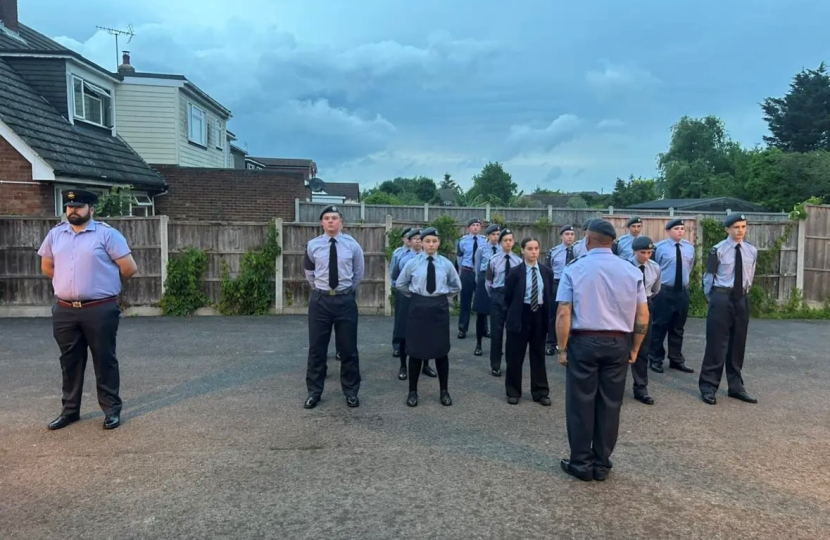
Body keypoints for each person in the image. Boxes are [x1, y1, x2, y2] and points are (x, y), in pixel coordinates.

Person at [555, 219, 649, 482]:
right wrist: (635, 348)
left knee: (581, 403)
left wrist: (562, 349)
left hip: (584, 341)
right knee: (610, 404)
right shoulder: (631, 271)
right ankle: (601, 463)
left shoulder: (575, 269)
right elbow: (643, 314)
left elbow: (564, 312)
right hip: (618, 342)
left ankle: (581, 463)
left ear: (587, 240)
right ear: (612, 242)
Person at [38, 189, 137, 431]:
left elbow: (129, 268)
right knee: (69, 362)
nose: (73, 210)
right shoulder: (55, 235)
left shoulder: (107, 235)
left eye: (79, 206)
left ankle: (111, 410)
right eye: (69, 206)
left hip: (99, 309)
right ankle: (70, 411)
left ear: (91, 209)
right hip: (65, 310)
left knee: (104, 360)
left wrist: (102, 285)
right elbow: (47, 266)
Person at [302, 205, 365, 409]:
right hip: (320, 301)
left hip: (345, 300)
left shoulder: (352, 245)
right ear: (322, 223)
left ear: (341, 222)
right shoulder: (313, 245)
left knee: (348, 349)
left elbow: (358, 273)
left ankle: (351, 391)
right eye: (327, 218)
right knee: (317, 349)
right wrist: (322, 290)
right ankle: (314, 391)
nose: (330, 221)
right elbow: (309, 273)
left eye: (334, 218)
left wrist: (344, 291)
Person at [396, 227, 462, 407]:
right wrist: (416, 297)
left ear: (438, 242)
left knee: (441, 352)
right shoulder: (413, 263)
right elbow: (401, 284)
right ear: (422, 243)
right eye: (427, 241)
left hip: (438, 308)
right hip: (418, 307)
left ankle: (444, 391)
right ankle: (413, 392)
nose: (431, 244)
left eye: (434, 241)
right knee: (416, 352)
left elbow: (456, 285)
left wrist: (443, 297)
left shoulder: (446, 264)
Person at [699, 213, 759, 405]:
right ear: (727, 229)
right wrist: (714, 298)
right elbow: (708, 278)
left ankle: (736, 386)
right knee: (717, 344)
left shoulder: (751, 250)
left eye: (743, 226)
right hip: (722, 297)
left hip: (741, 298)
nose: (740, 230)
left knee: (737, 343)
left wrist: (744, 294)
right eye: (736, 227)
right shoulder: (718, 250)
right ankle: (708, 386)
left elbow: (751, 274)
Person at [503, 237, 554, 406]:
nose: (533, 252)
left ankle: (540, 391)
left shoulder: (546, 272)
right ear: (522, 251)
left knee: (538, 354)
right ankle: (513, 391)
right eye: (530, 249)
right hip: (521, 314)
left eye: (536, 248)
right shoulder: (515, 272)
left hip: (539, 315)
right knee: (515, 355)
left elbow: (548, 296)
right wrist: (514, 313)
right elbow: (508, 296)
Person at [648, 218, 696, 374]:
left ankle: (676, 359)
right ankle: (655, 358)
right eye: (676, 229)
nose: (680, 231)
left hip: (682, 291)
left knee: (678, 327)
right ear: (668, 231)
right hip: (664, 291)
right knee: (659, 326)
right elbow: (653, 268)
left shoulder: (689, 248)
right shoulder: (659, 248)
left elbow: (690, 266)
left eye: (682, 228)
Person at [391, 229, 436, 380]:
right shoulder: (404, 259)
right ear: (409, 241)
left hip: (425, 299)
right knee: (404, 332)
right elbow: (395, 278)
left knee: (426, 333)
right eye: (414, 238)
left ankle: (426, 365)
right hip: (406, 298)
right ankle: (403, 366)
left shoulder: (431, 258)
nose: (417, 241)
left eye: (419, 238)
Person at [629, 236, 662, 405]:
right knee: (621, 346)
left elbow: (656, 290)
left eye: (649, 252)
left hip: (645, 305)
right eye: (643, 252)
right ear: (634, 251)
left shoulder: (654, 268)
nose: (646, 256)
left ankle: (641, 388)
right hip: (626, 306)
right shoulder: (625, 266)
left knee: (643, 348)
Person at [485, 229, 522, 377]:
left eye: (510, 240)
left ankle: (511, 363)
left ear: (513, 242)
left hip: (512, 298)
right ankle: (495, 364)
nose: (508, 243)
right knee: (496, 333)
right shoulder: (493, 260)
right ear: (500, 242)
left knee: (513, 333)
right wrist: (494, 296)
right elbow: (488, 282)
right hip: (497, 295)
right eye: (505, 240)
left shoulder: (518, 261)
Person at [545, 224, 577, 355]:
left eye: (572, 234)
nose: (570, 237)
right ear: (561, 236)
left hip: (573, 285)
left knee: (572, 315)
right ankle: (551, 342)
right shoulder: (554, 251)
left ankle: (569, 343)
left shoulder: (578, 252)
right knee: (554, 314)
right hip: (557, 283)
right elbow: (548, 271)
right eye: (567, 234)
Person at [456, 218, 488, 339]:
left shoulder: (485, 240)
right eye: (473, 225)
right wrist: (461, 271)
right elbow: (459, 257)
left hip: (480, 274)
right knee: (465, 301)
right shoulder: (463, 241)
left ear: (480, 228)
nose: (475, 227)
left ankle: (484, 329)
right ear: (469, 227)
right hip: (467, 272)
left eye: (478, 225)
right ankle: (462, 328)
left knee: (482, 301)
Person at [472, 223, 500, 356]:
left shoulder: (502, 248)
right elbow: (477, 268)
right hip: (484, 279)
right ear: (488, 235)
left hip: (498, 280)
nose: (495, 237)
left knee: (497, 316)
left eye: (497, 234)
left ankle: (497, 347)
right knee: (481, 315)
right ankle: (478, 344)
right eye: (493, 234)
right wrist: (480, 282)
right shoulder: (481, 249)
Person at [389, 227, 413, 357]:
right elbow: (393, 272)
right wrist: (397, 287)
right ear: (403, 239)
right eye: (407, 237)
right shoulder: (398, 253)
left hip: (416, 291)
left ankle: (412, 345)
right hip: (402, 291)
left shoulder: (421, 253)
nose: (410, 239)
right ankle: (397, 345)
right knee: (400, 319)